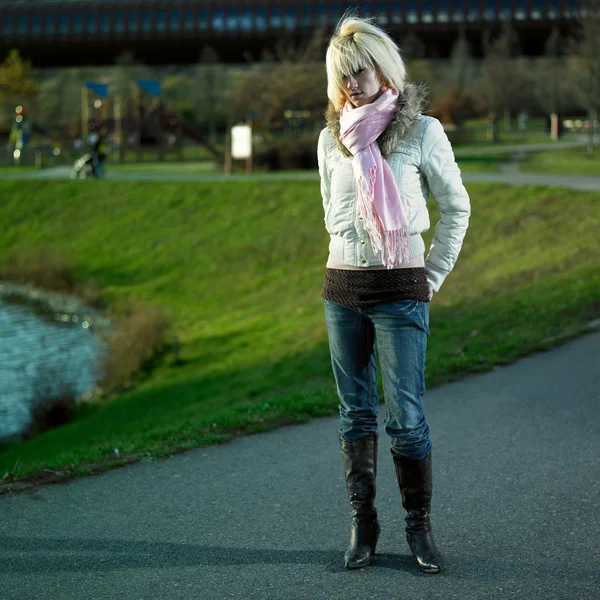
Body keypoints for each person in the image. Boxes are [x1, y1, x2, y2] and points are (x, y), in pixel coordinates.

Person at [317, 16, 470, 574]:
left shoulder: (422, 131)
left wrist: (431, 276)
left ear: (384, 68)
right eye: (342, 75)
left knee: (405, 416)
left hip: (402, 291)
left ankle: (419, 528)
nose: (351, 84)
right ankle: (364, 525)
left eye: (359, 71)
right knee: (354, 414)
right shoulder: (329, 140)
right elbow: (332, 220)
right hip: (342, 291)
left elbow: (458, 207)